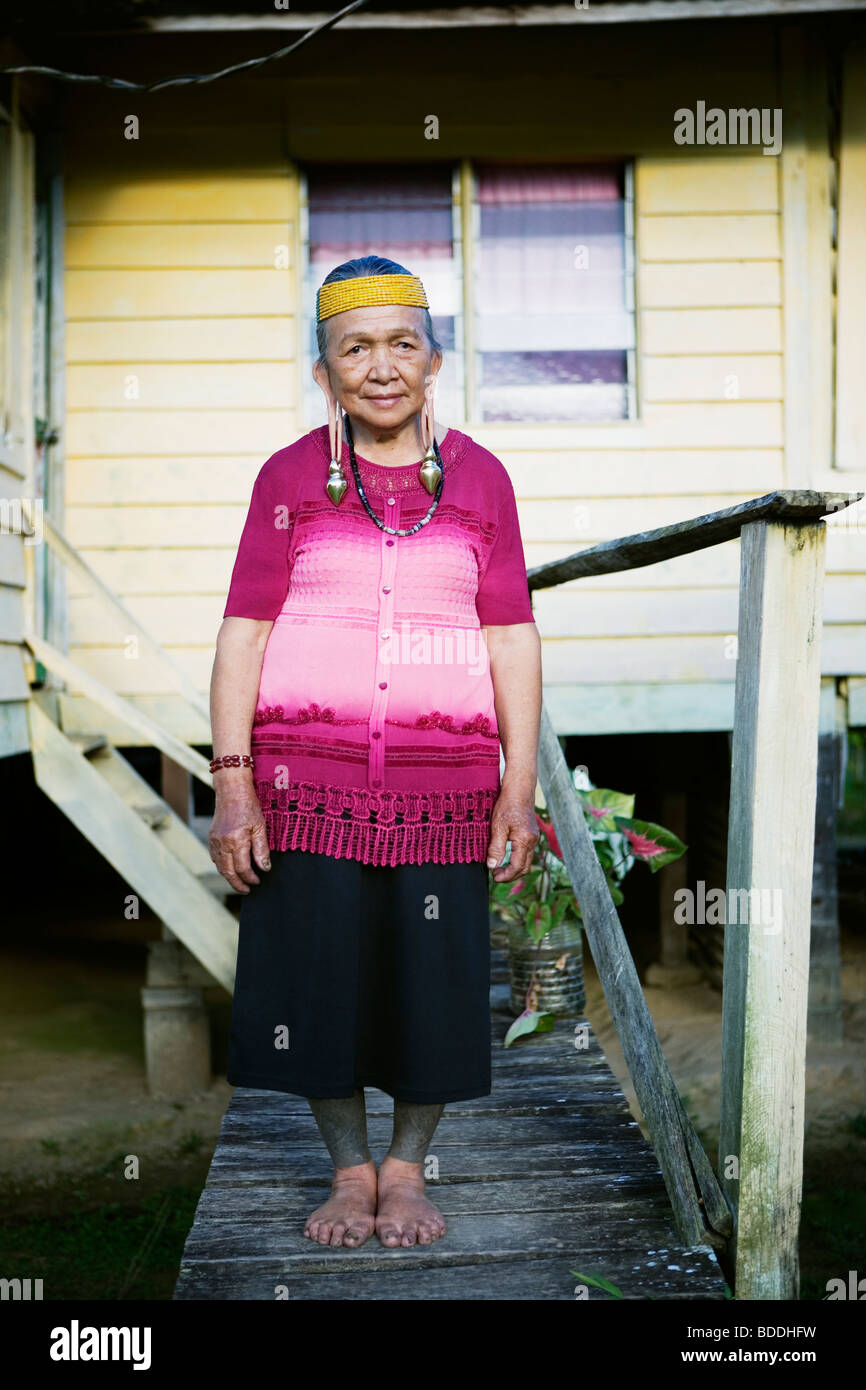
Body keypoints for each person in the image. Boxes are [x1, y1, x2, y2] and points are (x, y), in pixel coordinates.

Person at [208, 254, 542, 1251]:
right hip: (303, 785)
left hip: (445, 789)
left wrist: (514, 791)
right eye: (355, 347)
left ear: (433, 358)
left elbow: (508, 637)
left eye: (402, 343)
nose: (381, 366)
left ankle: (406, 1169)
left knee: (433, 986)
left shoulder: (481, 479)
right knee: (317, 982)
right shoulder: (286, 479)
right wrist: (232, 783)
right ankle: (349, 1170)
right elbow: (243, 634)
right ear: (324, 370)